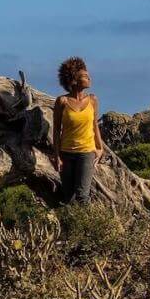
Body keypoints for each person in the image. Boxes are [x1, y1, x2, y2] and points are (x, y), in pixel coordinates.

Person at [51, 56, 104, 205]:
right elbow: (56, 131)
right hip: (66, 153)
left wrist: (99, 148)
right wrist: (56, 156)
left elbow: (95, 126)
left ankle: (89, 228)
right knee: (69, 198)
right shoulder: (62, 101)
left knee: (82, 196)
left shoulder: (93, 100)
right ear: (74, 79)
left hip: (86, 152)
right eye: (85, 76)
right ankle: (71, 227)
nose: (89, 79)